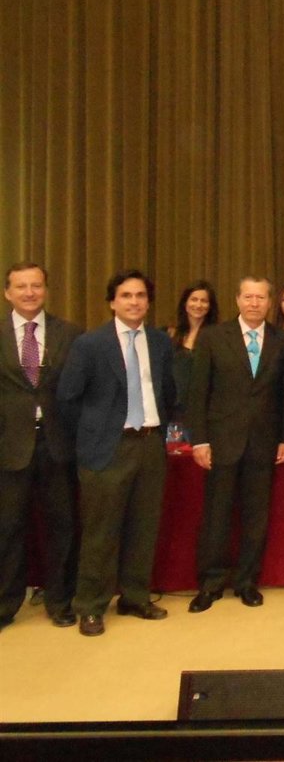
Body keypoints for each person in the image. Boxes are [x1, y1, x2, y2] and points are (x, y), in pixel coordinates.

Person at [57, 269, 176, 636]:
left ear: (148, 302)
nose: (134, 302)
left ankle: (135, 597)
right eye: (126, 295)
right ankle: (91, 606)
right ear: (112, 302)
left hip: (150, 445)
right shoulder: (90, 344)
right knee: (101, 533)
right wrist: (94, 434)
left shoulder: (160, 342)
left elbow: (169, 392)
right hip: (106, 449)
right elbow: (68, 398)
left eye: (140, 295)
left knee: (144, 527)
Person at [186, 277, 284, 613]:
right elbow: (197, 393)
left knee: (255, 517)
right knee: (216, 516)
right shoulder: (213, 337)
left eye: (260, 298)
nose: (254, 303)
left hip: (264, 443)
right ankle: (211, 583)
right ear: (237, 300)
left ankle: (247, 582)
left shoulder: (283, 341)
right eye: (248, 297)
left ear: (269, 302)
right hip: (221, 442)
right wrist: (199, 439)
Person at [0, 263, 83, 632]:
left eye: (36, 285)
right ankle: (5, 603)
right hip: (9, 447)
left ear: (46, 289)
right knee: (7, 529)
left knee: (62, 527)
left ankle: (60, 601)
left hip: (58, 444)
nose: (30, 292)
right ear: (8, 293)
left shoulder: (71, 334)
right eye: (21, 286)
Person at [167, 280, 219, 434]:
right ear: (185, 303)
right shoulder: (169, 334)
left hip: (204, 414)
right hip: (174, 414)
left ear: (210, 306)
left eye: (204, 301)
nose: (198, 305)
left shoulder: (217, 336)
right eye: (194, 299)